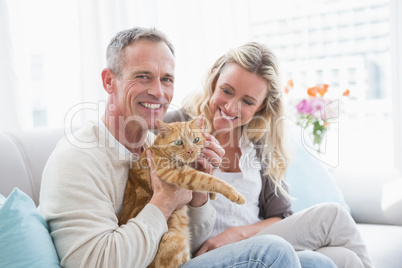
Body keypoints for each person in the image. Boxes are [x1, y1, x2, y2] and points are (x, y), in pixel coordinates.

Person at [38, 27, 308, 268]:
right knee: (273, 252)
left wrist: (199, 195)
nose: (158, 92)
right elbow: (94, 263)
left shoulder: (157, 144)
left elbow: (192, 243)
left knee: (316, 262)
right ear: (109, 81)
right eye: (143, 76)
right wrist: (163, 202)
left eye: (166, 79)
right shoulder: (77, 158)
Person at [164, 42, 375, 268]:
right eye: (227, 91)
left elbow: (280, 215)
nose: (231, 107)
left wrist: (239, 234)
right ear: (214, 81)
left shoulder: (258, 141)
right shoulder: (175, 127)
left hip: (257, 245)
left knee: (343, 260)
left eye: (248, 101)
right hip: (210, 253)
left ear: (261, 106)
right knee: (333, 216)